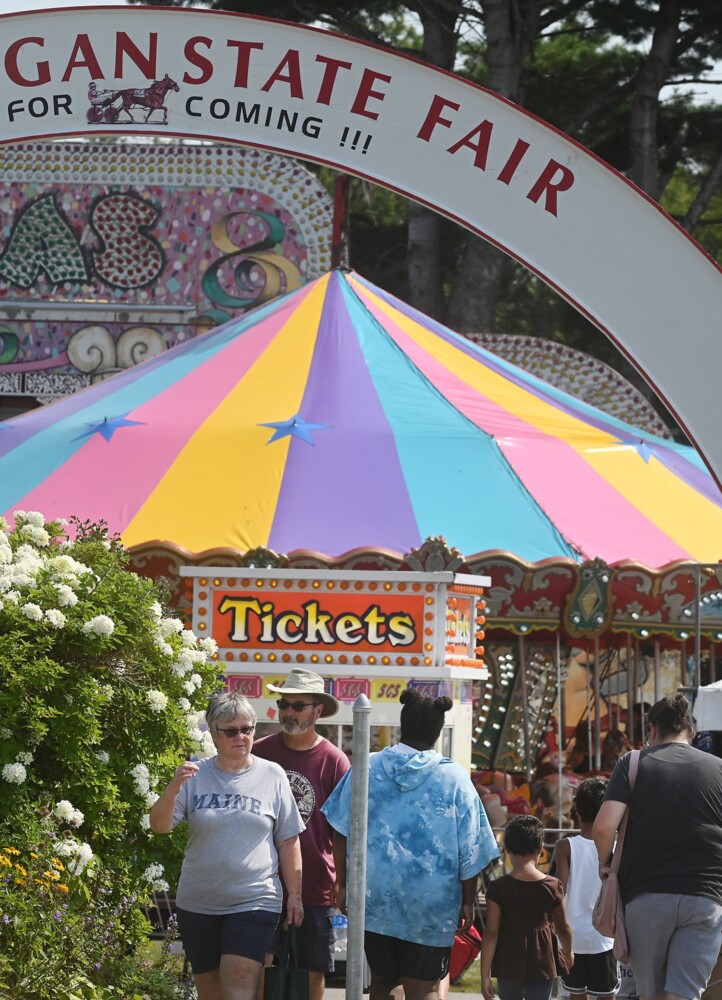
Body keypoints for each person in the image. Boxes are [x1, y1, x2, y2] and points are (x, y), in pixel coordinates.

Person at [322, 688, 499, 1000]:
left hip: (373, 897)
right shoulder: (455, 778)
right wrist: (469, 900)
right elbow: (471, 850)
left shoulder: (368, 766)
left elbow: (341, 829)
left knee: (381, 982)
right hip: (431, 904)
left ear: (402, 724)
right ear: (437, 731)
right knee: (426, 988)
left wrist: (341, 881)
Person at [149, 691, 305, 1000]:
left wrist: (295, 896)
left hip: (255, 899)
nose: (241, 736)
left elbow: (288, 840)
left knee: (239, 987)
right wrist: (172, 788)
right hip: (199, 902)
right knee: (211, 992)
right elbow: (160, 826)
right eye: (231, 731)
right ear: (214, 734)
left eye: (247, 729)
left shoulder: (271, 775)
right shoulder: (195, 775)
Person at [593, 694, 722, 1000]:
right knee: (685, 993)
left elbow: (602, 826)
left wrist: (607, 861)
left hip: (647, 895)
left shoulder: (633, 763)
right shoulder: (718, 768)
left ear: (651, 730)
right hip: (706, 898)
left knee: (649, 993)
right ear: (690, 731)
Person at [253, 668, 351, 1000]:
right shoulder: (259, 752)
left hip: (315, 883)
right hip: (262, 879)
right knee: (261, 962)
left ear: (317, 710)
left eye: (297, 705)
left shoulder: (334, 761)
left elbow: (342, 829)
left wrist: (342, 881)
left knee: (313, 968)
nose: (288, 712)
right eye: (284, 704)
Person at [481, 814, 573, 1000]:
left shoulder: (498, 888)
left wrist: (485, 975)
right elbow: (563, 927)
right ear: (540, 849)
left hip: (508, 960)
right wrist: (568, 951)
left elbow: (491, 932)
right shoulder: (552, 886)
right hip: (543, 960)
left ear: (506, 849)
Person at [552, 778, 619, 1000]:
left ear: (576, 810)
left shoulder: (565, 846)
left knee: (575, 995)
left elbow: (558, 891)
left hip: (572, 937)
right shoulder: (616, 846)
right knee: (606, 995)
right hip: (605, 937)